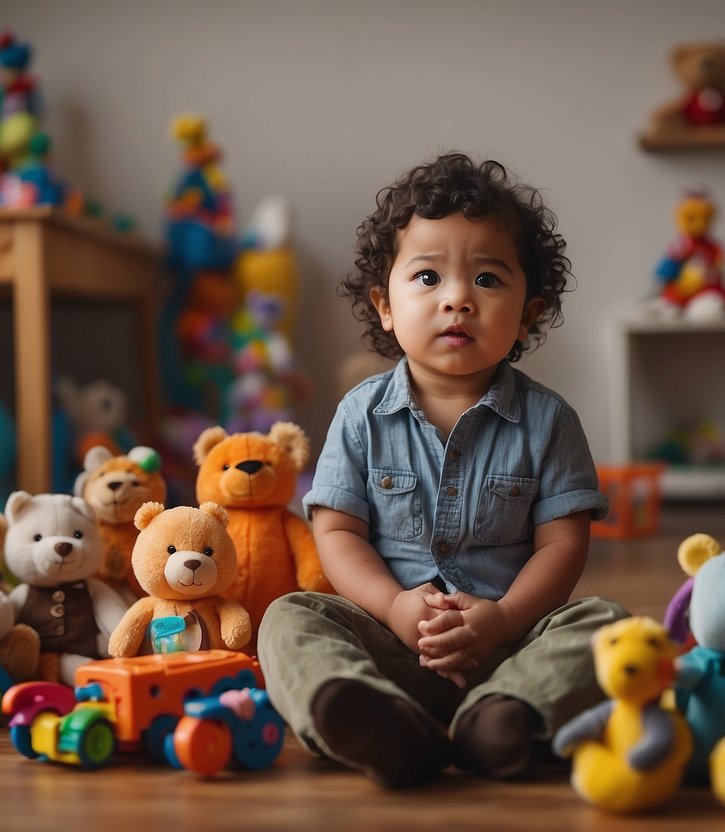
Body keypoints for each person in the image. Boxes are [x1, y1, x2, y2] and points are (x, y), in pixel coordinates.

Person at [257, 152, 626, 788]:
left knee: (607, 623)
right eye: (428, 278)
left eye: (487, 280)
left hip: (510, 648)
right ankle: (375, 720)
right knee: (289, 615)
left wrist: (504, 620)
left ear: (527, 315)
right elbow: (338, 533)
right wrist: (395, 607)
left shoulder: (549, 420)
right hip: (389, 645)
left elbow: (564, 545)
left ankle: (504, 717)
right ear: (384, 306)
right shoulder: (359, 415)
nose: (457, 298)